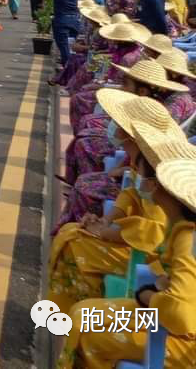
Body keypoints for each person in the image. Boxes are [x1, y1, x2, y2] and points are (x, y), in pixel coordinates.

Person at [58, 122, 196, 369]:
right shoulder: (181, 226)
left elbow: (180, 314)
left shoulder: (188, 238)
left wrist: (147, 295)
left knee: (90, 333)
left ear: (160, 187)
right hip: (162, 317)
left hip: (180, 342)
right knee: (82, 314)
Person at [37, 0, 84, 66]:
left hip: (62, 19)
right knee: (71, 46)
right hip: (75, 19)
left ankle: (67, 71)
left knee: (63, 47)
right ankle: (69, 70)